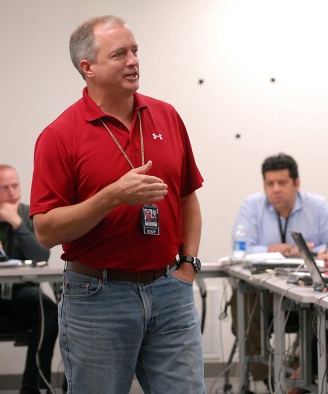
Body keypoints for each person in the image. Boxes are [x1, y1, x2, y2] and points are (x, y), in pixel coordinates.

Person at [30, 15, 205, 394]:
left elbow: (188, 196)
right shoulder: (59, 136)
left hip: (169, 289)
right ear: (88, 68)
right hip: (97, 297)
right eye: (119, 54)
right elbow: (45, 230)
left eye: (135, 51)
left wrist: (188, 264)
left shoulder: (167, 116)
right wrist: (112, 197)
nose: (133, 61)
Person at [230, 153, 328, 388]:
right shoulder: (252, 205)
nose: (275, 189)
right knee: (241, 300)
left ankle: (302, 371)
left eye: (282, 183)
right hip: (263, 299)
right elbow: (240, 248)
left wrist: (305, 253)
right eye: (269, 183)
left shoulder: (318, 206)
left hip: (308, 298)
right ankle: (271, 378)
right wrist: (273, 251)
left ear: (296, 183)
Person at [0, 164, 57, 394]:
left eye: (15, 186)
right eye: (4, 187)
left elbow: (42, 256)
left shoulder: (29, 216)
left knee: (49, 312)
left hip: (22, 292)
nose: (12, 192)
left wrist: (17, 223)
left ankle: (33, 387)